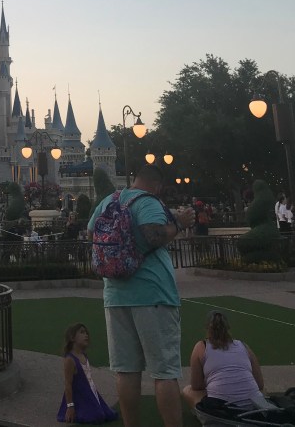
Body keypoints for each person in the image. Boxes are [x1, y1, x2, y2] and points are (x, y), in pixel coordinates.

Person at [88, 165, 194, 427]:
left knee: (126, 371)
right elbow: (154, 235)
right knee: (164, 372)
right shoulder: (148, 202)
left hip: (115, 295)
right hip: (152, 294)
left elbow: (91, 233)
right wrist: (179, 223)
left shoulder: (109, 201)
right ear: (157, 185)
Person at [182, 310, 269, 411]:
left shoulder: (201, 346)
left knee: (187, 390)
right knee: (262, 391)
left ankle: (202, 414)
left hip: (221, 410)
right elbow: (260, 384)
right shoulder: (243, 345)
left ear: (207, 328)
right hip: (253, 407)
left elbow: (196, 386)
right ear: (228, 328)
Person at [57, 323, 117, 424]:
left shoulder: (83, 355)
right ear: (72, 337)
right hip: (80, 395)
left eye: (86, 333)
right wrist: (70, 406)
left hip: (90, 391)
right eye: (82, 332)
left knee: (110, 415)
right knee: (97, 417)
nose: (86, 335)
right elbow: (68, 384)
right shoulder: (70, 360)